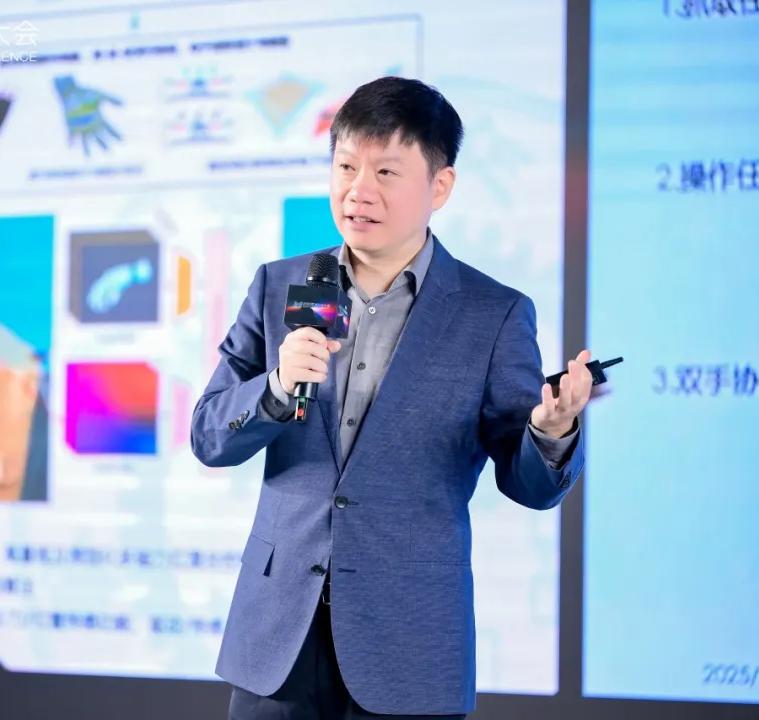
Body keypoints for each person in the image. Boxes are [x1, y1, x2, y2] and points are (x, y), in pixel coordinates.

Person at [190, 76, 592, 719]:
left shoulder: (492, 313)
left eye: (385, 171)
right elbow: (209, 436)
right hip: (277, 640)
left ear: (440, 186)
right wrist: (276, 388)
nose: (359, 190)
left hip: (409, 643)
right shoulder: (279, 285)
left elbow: (531, 487)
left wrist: (551, 430)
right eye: (346, 166)